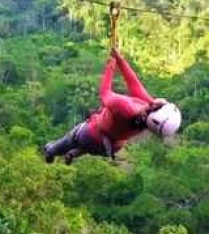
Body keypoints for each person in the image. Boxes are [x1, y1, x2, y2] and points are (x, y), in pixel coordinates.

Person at [43, 48, 182, 164]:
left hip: (91, 134)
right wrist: (120, 60)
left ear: (155, 110)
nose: (163, 101)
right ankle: (73, 154)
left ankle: (51, 151)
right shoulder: (145, 120)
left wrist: (110, 66)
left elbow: (105, 93)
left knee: (71, 138)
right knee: (88, 147)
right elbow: (135, 85)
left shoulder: (124, 107)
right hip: (110, 148)